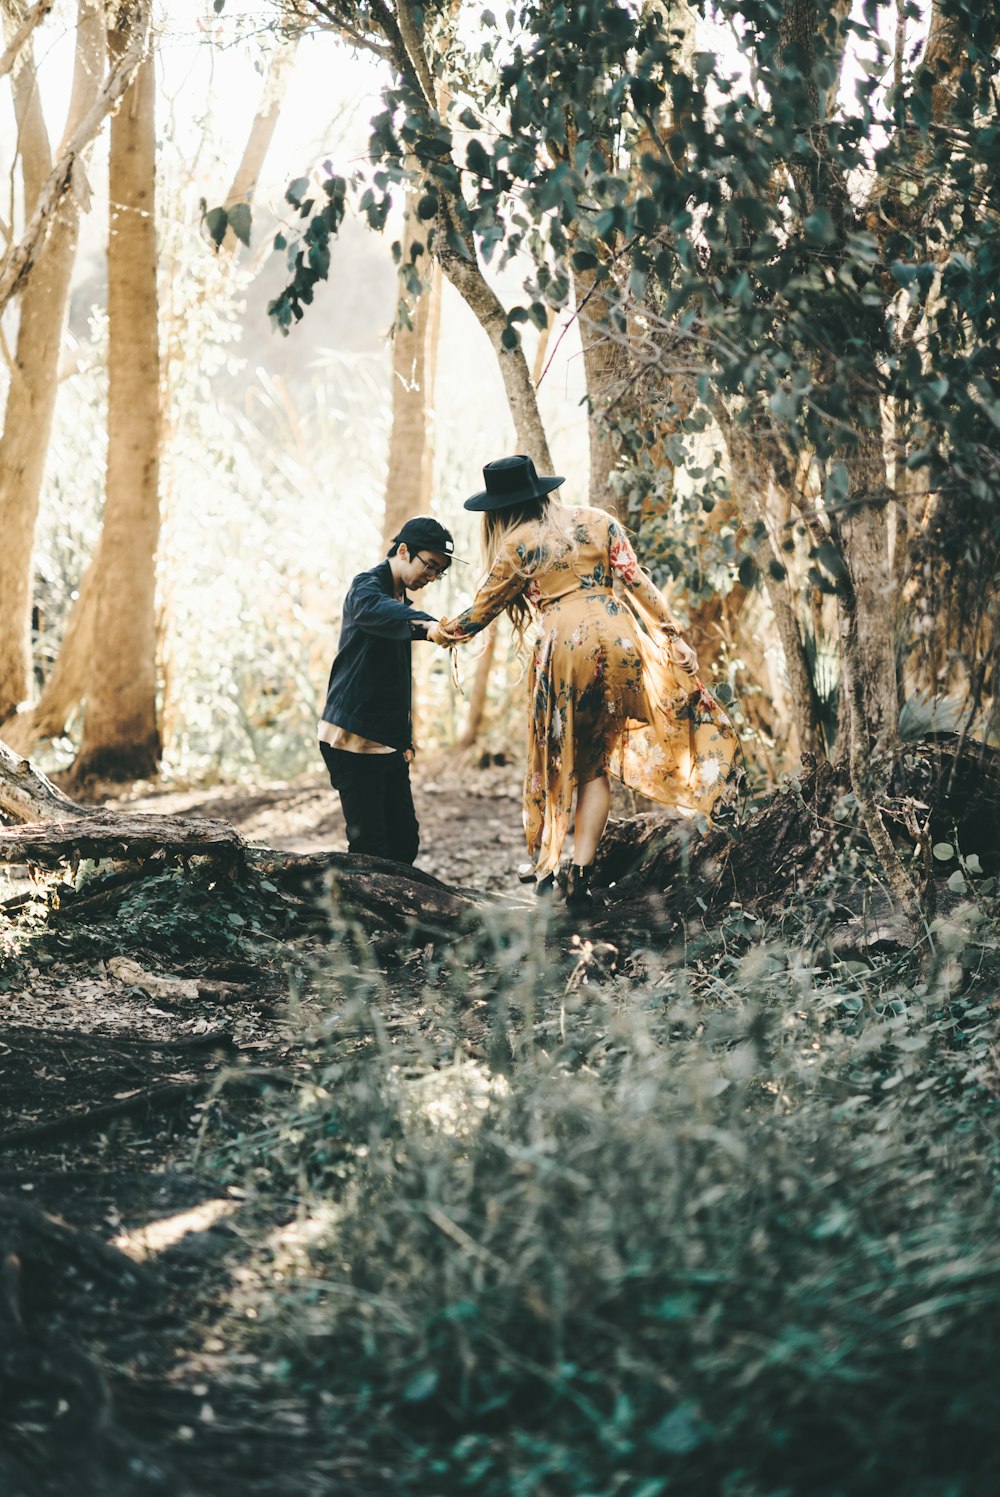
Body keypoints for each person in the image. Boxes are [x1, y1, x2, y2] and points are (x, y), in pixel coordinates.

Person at [429, 455, 737, 910]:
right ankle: (582, 875)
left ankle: (550, 868)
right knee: (594, 763)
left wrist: (440, 631)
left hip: (567, 651)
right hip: (620, 642)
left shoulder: (517, 545)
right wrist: (674, 637)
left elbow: (478, 613)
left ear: (500, 508)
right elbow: (637, 583)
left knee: (565, 762)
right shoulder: (598, 521)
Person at [319, 515, 460, 865]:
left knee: (404, 844)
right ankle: (357, 918)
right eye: (429, 567)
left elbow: (394, 679)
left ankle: (393, 916)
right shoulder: (366, 588)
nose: (431, 577)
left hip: (387, 743)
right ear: (402, 551)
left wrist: (405, 740)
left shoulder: (400, 601)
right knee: (370, 850)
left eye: (438, 571)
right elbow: (378, 612)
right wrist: (428, 626)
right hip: (351, 738)